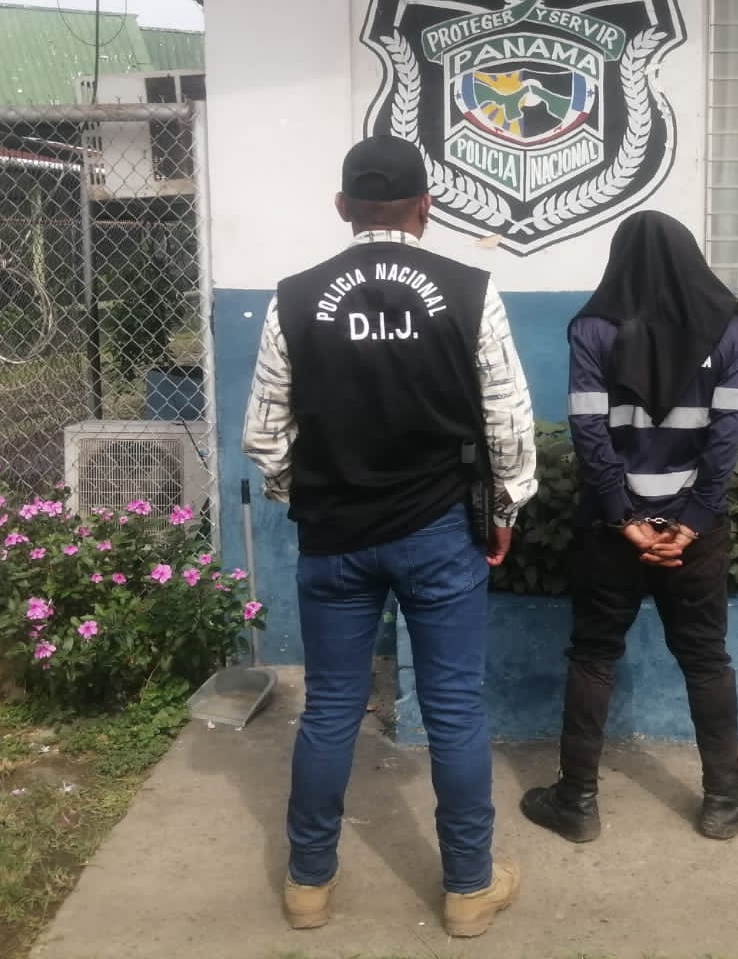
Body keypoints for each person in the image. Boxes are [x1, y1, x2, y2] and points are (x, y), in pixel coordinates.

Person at [243, 135, 538, 938]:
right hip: (440, 532)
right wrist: (505, 508)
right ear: (425, 208)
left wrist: (310, 495)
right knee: (454, 708)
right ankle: (469, 890)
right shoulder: (471, 290)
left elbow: (264, 437)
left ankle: (309, 885)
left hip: (334, 535)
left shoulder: (293, 297)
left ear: (343, 207)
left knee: (331, 707)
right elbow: (509, 420)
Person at [520, 210, 738, 844]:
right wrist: (693, 520)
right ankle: (724, 799)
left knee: (594, 655)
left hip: (612, 528)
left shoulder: (593, 327)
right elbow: (727, 435)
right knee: (705, 657)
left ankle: (576, 802)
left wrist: (624, 515)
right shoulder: (727, 326)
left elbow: (587, 429)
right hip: (693, 532)